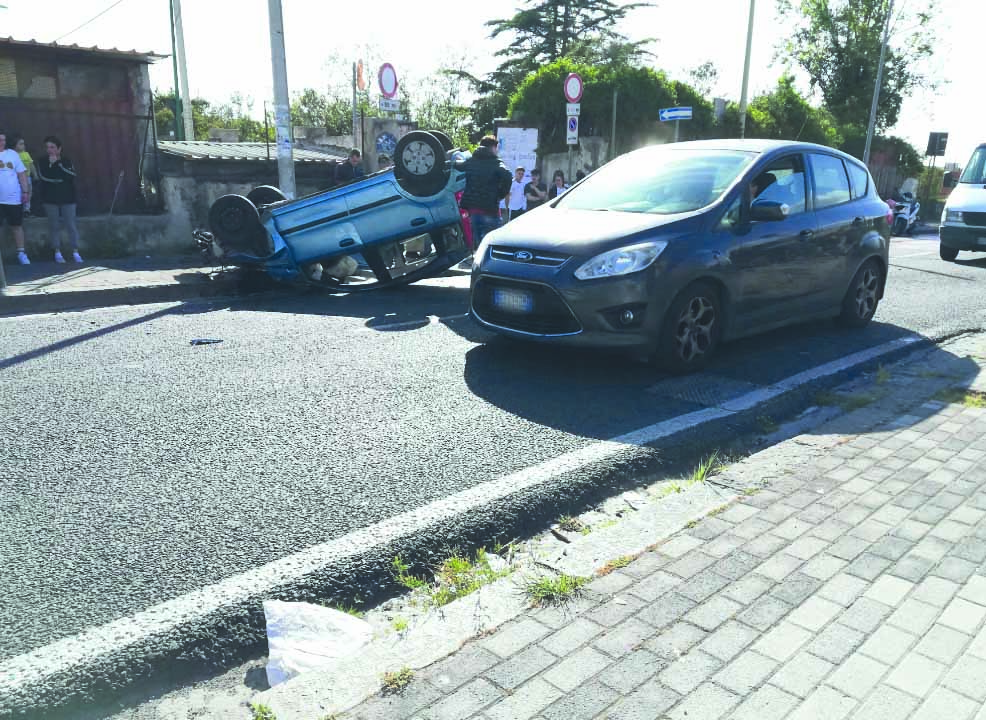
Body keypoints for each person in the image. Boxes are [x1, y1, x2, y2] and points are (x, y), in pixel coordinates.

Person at [36, 135, 82, 263]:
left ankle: (75, 251)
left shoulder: (66, 161)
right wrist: (52, 167)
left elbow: (71, 175)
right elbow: (44, 177)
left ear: (59, 149)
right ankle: (57, 251)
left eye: (52, 147)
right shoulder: (42, 161)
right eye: (47, 147)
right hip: (50, 199)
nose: (49, 150)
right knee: (54, 225)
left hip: (68, 198)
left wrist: (58, 165)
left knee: (70, 225)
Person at [459, 135, 511, 246]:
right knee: (494, 245)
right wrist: (500, 194)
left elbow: (458, 166)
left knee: (479, 247)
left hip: (473, 211)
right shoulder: (495, 162)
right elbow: (508, 175)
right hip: (490, 210)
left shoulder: (471, 161)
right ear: (493, 147)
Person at [0, 130, 30, 264]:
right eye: (0, 140)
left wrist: (25, 192)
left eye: (3, 140)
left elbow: (22, 175)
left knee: (17, 226)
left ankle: (21, 253)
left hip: (13, 199)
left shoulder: (12, 154)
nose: (2, 142)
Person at [14, 137, 36, 216]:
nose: (23, 146)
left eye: (23, 144)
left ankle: (27, 209)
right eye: (20, 144)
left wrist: (35, 174)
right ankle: (19, 209)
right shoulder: (13, 155)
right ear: (15, 145)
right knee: (19, 194)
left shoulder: (26, 154)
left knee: (28, 193)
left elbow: (31, 164)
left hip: (27, 177)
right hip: (17, 179)